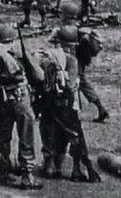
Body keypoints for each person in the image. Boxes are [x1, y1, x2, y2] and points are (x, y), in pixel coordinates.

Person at [39, 25, 101, 183]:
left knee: (49, 134)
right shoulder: (72, 59)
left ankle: (50, 167)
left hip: (47, 103)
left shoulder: (47, 57)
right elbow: (73, 85)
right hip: (68, 105)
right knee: (75, 136)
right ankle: (76, 169)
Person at [0, 25, 42, 190]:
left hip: (2, 99)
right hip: (21, 98)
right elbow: (37, 75)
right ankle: (27, 175)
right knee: (26, 135)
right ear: (12, 39)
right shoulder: (17, 53)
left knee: (3, 135)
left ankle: (3, 171)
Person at [74, 18, 109, 123]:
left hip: (78, 58)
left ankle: (100, 109)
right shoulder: (83, 32)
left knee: (79, 82)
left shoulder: (75, 30)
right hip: (81, 57)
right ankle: (101, 109)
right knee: (82, 83)